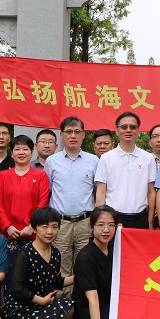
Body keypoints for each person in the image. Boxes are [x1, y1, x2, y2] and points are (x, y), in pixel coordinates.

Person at [3, 207, 75, 319]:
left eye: (54, 227)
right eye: (44, 227)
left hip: (42, 307)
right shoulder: (24, 254)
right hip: (20, 311)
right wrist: (40, 301)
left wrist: (78, 277)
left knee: (70, 305)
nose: (50, 231)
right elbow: (16, 288)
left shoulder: (55, 253)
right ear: (34, 228)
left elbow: (56, 281)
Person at [45, 116, 99, 295]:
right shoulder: (52, 161)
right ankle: (63, 309)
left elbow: (98, 192)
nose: (73, 136)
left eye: (77, 132)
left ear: (84, 135)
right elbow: (48, 191)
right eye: (69, 132)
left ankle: (82, 307)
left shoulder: (94, 161)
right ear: (61, 135)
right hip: (61, 224)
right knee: (61, 266)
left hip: (85, 222)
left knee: (85, 265)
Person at [63, 206, 119, 319]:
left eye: (111, 225)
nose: (106, 230)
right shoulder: (85, 257)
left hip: (108, 310)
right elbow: (92, 299)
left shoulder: (115, 250)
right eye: (100, 225)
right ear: (91, 227)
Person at [95, 112, 156, 229]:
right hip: (113, 218)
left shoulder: (148, 158)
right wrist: (100, 221)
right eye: (124, 127)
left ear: (138, 130)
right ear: (117, 130)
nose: (128, 130)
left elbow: (151, 192)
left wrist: (150, 221)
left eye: (133, 127)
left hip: (141, 218)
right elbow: (101, 191)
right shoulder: (106, 158)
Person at [0, 135, 50, 255]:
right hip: (8, 233)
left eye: (25, 149)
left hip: (34, 232)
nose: (21, 152)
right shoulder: (2, 176)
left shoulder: (41, 176)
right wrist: (7, 226)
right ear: (11, 153)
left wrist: (32, 226)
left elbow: (42, 202)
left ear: (31, 153)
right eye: (17, 149)